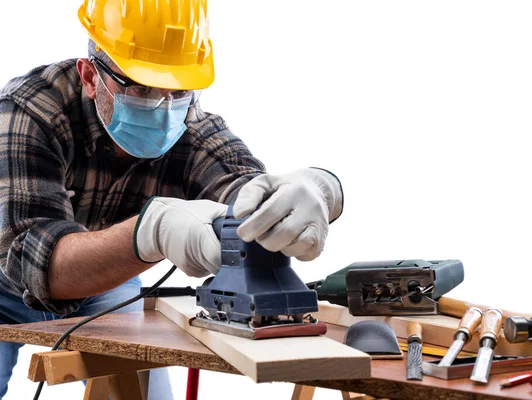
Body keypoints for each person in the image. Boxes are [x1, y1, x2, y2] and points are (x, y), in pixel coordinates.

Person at [0, 0, 343, 398]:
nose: (163, 109)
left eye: (177, 89)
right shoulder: (31, 110)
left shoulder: (189, 125)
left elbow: (244, 190)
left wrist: (315, 189)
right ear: (91, 75)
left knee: (145, 394)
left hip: (102, 285)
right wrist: (152, 232)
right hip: (3, 279)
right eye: (141, 87)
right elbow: (31, 261)